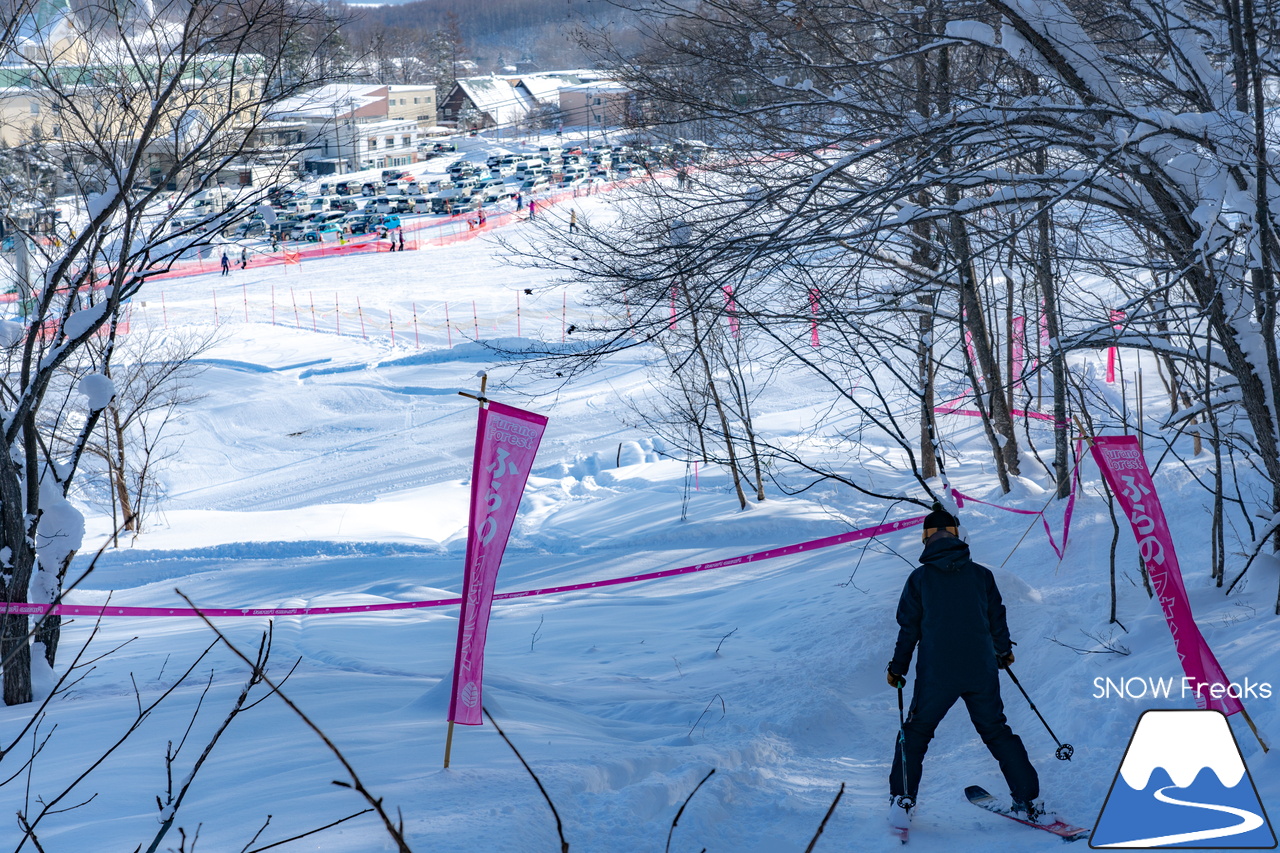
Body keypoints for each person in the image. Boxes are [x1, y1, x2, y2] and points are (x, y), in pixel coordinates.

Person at [886, 503, 1043, 828]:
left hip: (936, 675)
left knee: (915, 735)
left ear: (925, 539)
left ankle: (902, 802)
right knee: (997, 732)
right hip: (980, 670)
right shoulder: (980, 575)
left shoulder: (920, 579)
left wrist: (897, 668)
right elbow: (995, 618)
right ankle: (1029, 800)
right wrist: (1002, 652)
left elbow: (909, 629)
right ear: (958, 536)